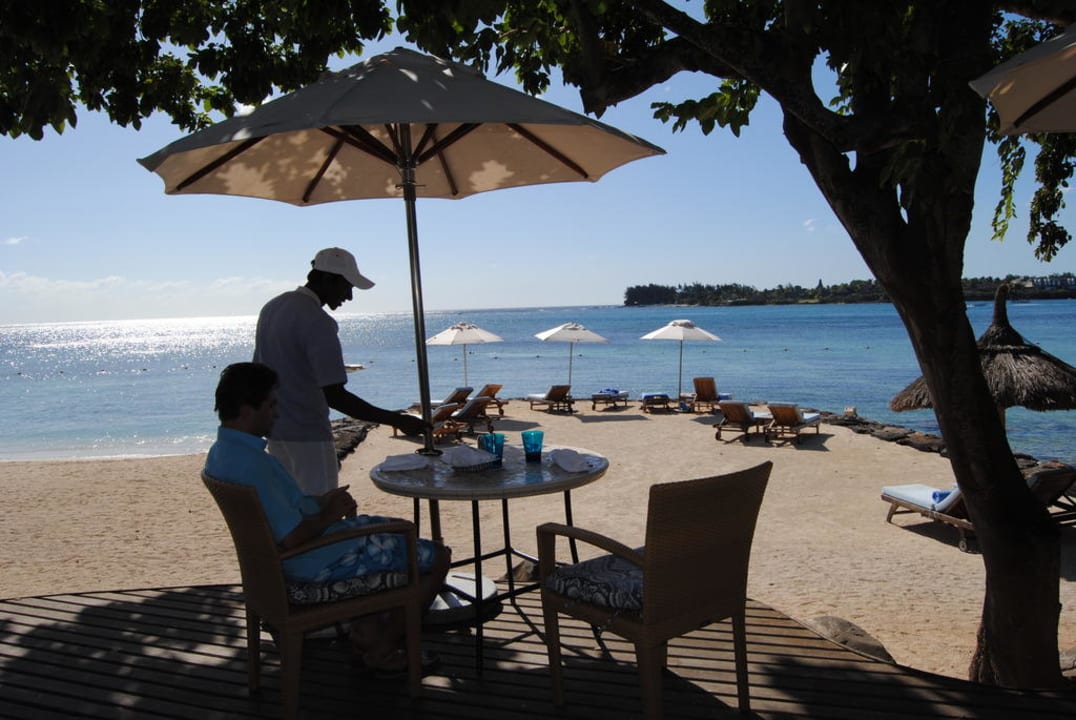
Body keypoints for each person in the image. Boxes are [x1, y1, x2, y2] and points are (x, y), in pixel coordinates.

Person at [205, 361, 450, 674]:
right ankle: (383, 647)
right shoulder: (254, 465)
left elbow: (281, 511)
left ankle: (366, 633)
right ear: (246, 410)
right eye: (271, 405)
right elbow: (292, 536)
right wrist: (330, 515)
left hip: (277, 566)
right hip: (312, 563)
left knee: (398, 530)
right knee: (436, 557)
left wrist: (320, 503)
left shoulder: (222, 454)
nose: (276, 413)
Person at [254, 247, 426, 494]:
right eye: (347, 287)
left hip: (275, 431)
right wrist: (397, 420)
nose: (349, 296)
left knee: (291, 504)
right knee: (320, 507)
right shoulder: (318, 321)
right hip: (307, 435)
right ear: (328, 279)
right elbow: (335, 395)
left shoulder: (272, 308)